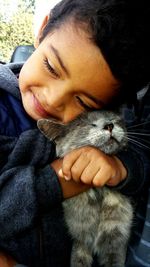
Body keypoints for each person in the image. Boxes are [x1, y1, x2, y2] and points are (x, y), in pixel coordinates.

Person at [0, 0, 150, 266]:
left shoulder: (100, 124)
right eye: (51, 67)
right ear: (43, 29)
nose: (54, 100)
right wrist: (55, 181)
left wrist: (119, 168)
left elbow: (140, 157)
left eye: (83, 102)